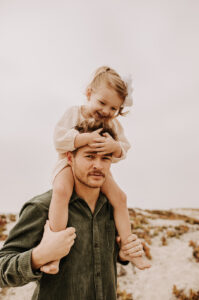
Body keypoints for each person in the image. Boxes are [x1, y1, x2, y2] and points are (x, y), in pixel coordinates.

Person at [0, 120, 146, 300]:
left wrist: (122, 254)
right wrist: (39, 256)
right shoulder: (42, 207)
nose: (98, 166)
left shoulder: (113, 209)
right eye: (90, 156)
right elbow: (2, 268)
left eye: (105, 158)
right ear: (70, 158)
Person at [43, 66, 151, 274]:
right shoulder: (74, 113)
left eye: (113, 108)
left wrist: (114, 147)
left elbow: (125, 148)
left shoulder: (113, 125)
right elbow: (58, 140)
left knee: (120, 197)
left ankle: (130, 249)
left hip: (98, 168)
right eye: (102, 103)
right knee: (62, 191)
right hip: (68, 162)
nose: (106, 111)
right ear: (89, 93)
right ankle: (53, 253)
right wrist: (82, 139)